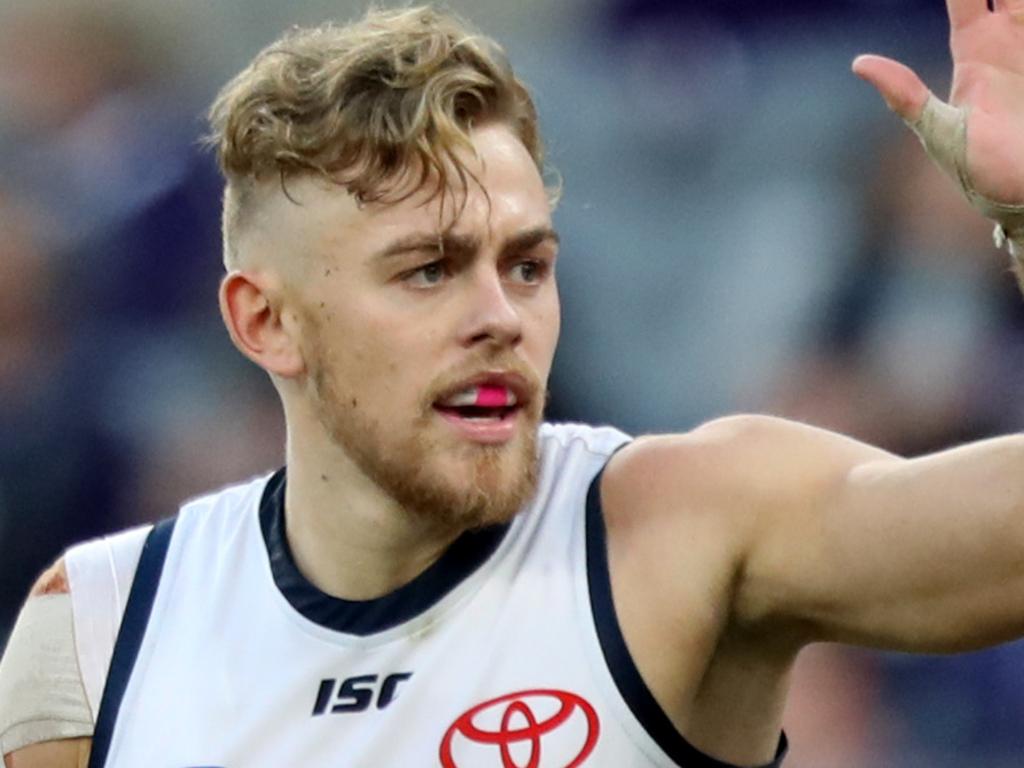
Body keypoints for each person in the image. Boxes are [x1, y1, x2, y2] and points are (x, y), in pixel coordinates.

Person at [2, 3, 1024, 766]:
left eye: (526, 265)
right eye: (428, 270)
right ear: (265, 322)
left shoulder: (682, 525)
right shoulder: (98, 626)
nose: (501, 315)